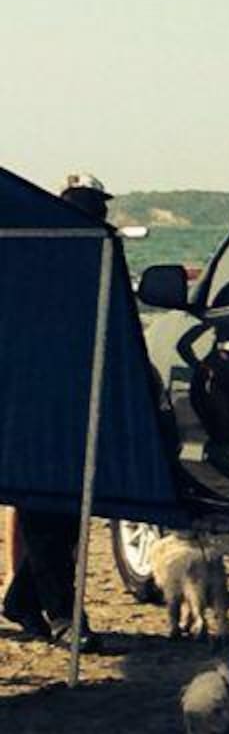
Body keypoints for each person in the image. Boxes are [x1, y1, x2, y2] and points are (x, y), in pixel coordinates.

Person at [1, 173, 110, 650]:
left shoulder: (81, 264)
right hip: (35, 407)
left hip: (58, 405)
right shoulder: (46, 262)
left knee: (59, 515)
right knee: (49, 512)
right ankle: (65, 614)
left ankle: (25, 599)